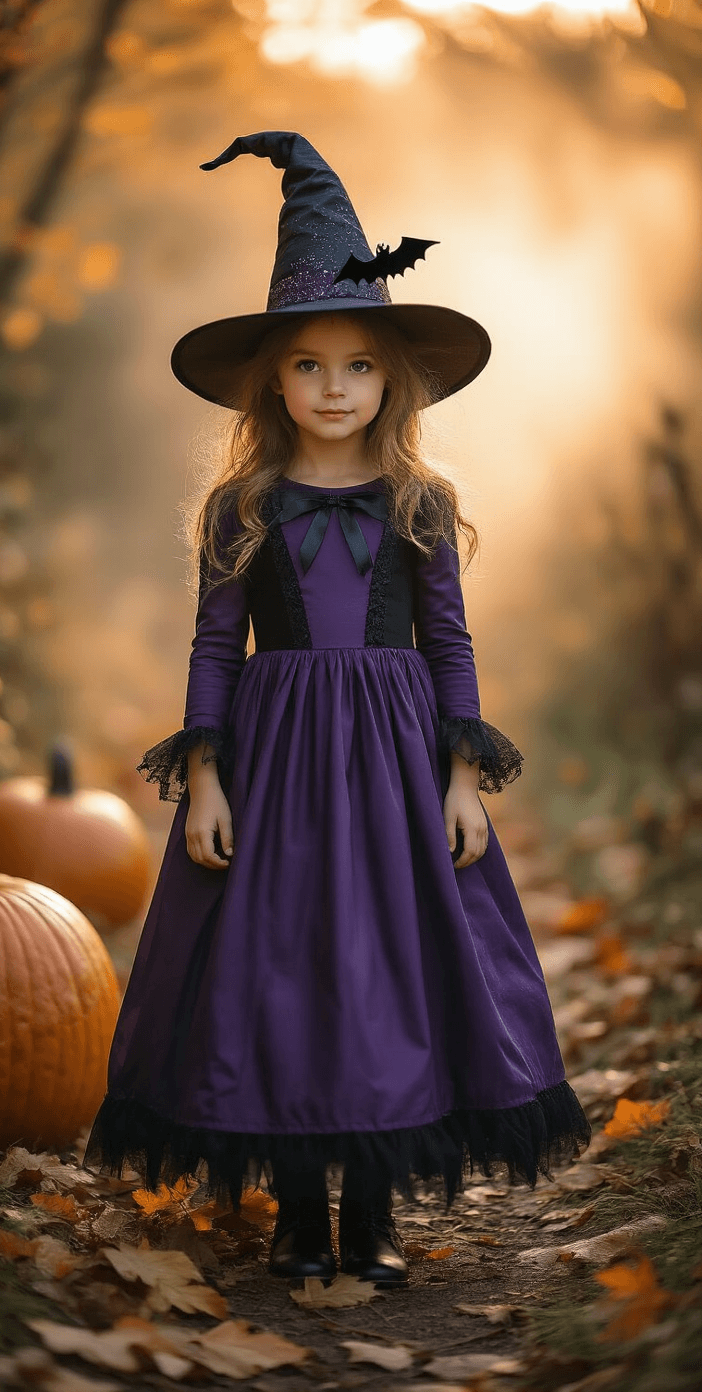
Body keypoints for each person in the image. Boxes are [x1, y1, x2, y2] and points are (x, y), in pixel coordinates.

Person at [84, 132, 591, 1287]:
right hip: (275, 766)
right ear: (273, 378)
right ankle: (296, 1221)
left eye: (357, 365)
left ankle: (368, 1219)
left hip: (395, 767)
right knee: (282, 965)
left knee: (386, 971)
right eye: (308, 365)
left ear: (390, 380)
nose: (332, 387)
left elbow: (449, 643)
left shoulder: (419, 503)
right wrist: (204, 777)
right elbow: (216, 646)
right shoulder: (241, 506)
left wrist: (462, 776)